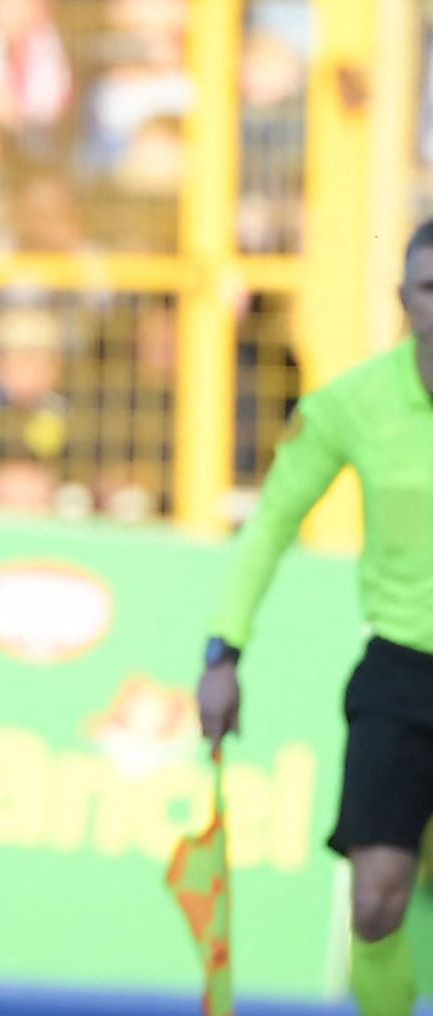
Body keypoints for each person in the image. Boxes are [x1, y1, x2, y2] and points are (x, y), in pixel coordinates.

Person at [198, 220, 433, 1016]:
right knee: (375, 902)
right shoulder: (353, 405)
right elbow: (271, 524)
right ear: (403, 298)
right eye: (431, 289)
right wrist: (224, 651)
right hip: (403, 669)